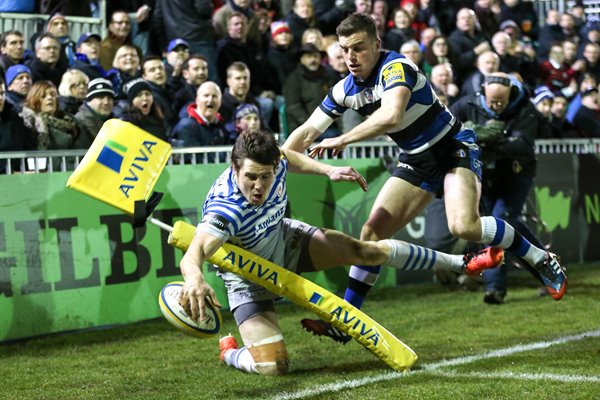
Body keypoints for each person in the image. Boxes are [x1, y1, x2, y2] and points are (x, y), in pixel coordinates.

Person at [283, 14, 568, 341]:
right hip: (416, 161)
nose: (350, 57)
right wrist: (274, 160)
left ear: (377, 45)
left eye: (359, 48)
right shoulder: (344, 89)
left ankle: (540, 258)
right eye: (345, 49)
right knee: (370, 235)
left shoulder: (396, 67)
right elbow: (305, 133)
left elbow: (391, 115)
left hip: (452, 149)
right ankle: (348, 321)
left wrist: (342, 138)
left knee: (464, 226)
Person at [178, 129, 502, 375]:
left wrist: (327, 170)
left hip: (285, 241)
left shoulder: (275, 163)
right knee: (274, 366)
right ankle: (230, 354)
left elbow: (290, 156)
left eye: (265, 176)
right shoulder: (225, 210)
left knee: (365, 251)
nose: (259, 186)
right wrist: (194, 279)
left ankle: (460, 262)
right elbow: (193, 255)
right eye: (250, 177)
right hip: (248, 277)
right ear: (234, 168)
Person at [450, 73, 553, 304]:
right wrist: (481, 135)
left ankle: (494, 287)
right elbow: (450, 130)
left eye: (501, 103)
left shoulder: (525, 108)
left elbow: (523, 145)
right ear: (483, 92)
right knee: (505, 226)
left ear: (510, 95)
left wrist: (484, 141)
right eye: (492, 102)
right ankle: (549, 271)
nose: (496, 107)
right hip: (485, 175)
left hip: (516, 174)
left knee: (497, 223)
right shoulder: (467, 103)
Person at [74, 78, 115, 146]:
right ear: (89, 101)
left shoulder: (115, 121)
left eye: (109, 98)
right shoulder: (80, 121)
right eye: (101, 97)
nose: (106, 102)